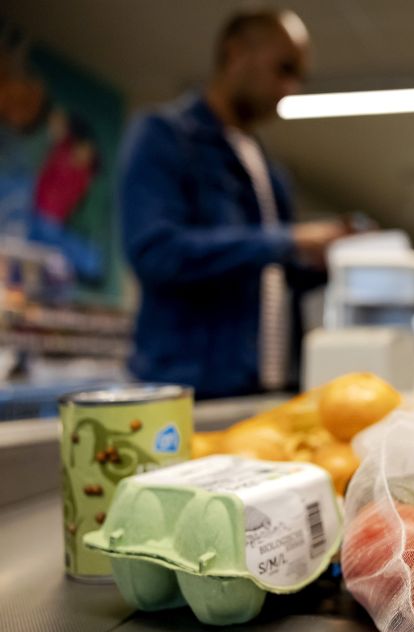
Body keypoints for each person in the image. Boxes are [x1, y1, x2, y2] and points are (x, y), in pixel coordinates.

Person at [119, 9, 346, 398]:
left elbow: (271, 277)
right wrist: (289, 240)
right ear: (236, 52)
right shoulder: (165, 136)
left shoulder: (268, 170)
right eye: (283, 69)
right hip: (192, 392)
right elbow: (155, 251)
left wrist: (327, 259)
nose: (289, 88)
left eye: (298, 77)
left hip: (267, 386)